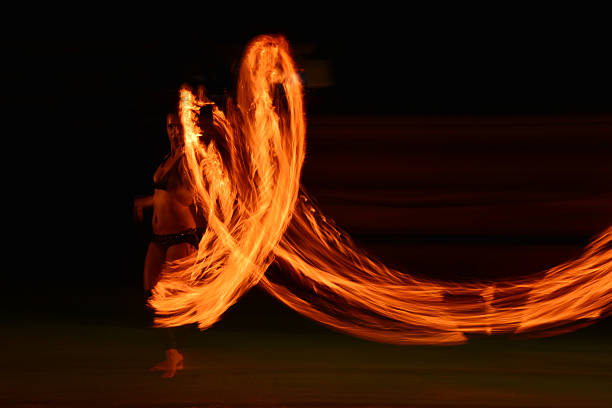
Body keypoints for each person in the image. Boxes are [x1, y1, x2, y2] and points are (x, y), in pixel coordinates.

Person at [133, 110, 203, 379]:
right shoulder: (167, 158)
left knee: (170, 298)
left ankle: (175, 353)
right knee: (151, 294)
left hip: (181, 235)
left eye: (178, 126)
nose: (174, 131)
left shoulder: (189, 158)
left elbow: (187, 196)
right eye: (170, 126)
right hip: (159, 237)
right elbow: (162, 193)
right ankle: (173, 353)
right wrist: (144, 203)